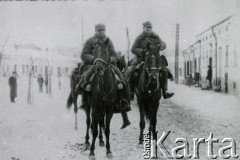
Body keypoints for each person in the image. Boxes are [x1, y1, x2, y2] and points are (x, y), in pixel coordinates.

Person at [79, 23, 131, 129]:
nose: (101, 32)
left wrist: (111, 59)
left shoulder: (108, 41)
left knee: (121, 80)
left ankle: (123, 104)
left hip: (107, 65)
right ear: (95, 31)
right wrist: (96, 59)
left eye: (103, 30)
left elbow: (113, 54)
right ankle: (84, 102)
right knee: (85, 81)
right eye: (99, 30)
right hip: (93, 65)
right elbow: (84, 54)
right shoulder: (90, 41)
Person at [127, 21, 174, 99]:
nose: (149, 29)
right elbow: (133, 49)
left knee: (164, 70)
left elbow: (164, 44)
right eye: (147, 28)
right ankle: (131, 92)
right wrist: (142, 51)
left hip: (154, 59)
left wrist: (160, 46)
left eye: (150, 28)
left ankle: (165, 91)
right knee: (131, 71)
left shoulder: (156, 36)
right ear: (143, 28)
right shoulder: (139, 38)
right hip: (141, 58)